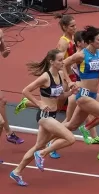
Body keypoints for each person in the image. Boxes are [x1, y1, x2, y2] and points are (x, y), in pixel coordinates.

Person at [9, 49, 76, 186]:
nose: (62, 62)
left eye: (62, 59)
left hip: (52, 115)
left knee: (38, 145)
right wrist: (38, 103)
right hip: (44, 116)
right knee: (70, 138)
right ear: (51, 62)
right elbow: (25, 90)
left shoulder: (61, 74)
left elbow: (61, 96)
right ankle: (43, 153)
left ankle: (16, 172)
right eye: (59, 60)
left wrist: (71, 92)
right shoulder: (45, 77)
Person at [62, 25, 99, 168]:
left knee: (71, 125)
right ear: (91, 41)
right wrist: (69, 82)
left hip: (94, 94)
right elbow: (63, 64)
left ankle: (48, 138)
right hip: (83, 95)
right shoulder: (81, 55)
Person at [15, 14, 77, 114]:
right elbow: (60, 61)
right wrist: (68, 79)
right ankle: (27, 103)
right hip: (63, 74)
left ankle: (56, 116)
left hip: (71, 73)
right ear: (65, 27)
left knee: (61, 102)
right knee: (55, 103)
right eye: (72, 26)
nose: (75, 28)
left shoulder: (73, 37)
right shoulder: (64, 42)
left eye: (75, 25)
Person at [0, 29, 24, 145]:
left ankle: (9, 132)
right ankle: (9, 132)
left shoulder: (0, 32)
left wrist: (6, 52)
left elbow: (3, 53)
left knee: (2, 101)